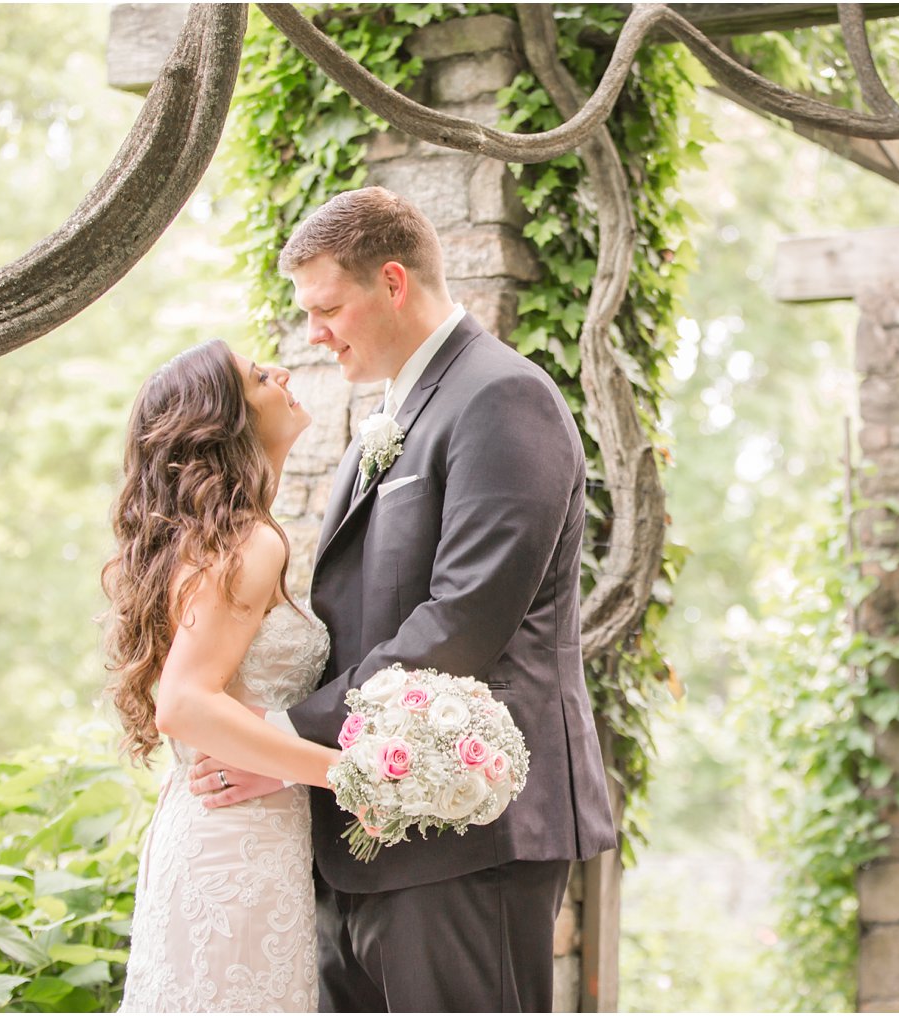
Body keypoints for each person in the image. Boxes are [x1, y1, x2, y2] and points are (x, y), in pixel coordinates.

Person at [187, 187, 618, 1012]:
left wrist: (278, 744)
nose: (314, 334)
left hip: (471, 827)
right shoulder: (378, 424)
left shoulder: (502, 397)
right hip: (367, 820)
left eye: (328, 308)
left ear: (392, 282)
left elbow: (463, 623)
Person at [103, 339, 339, 1012]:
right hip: (234, 849)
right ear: (225, 422)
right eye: (261, 377)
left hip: (228, 832)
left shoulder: (226, 539)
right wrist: (341, 771)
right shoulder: (247, 544)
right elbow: (184, 703)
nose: (284, 372)